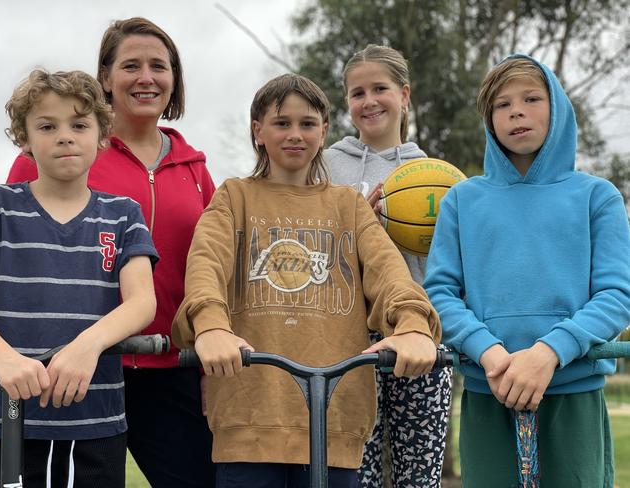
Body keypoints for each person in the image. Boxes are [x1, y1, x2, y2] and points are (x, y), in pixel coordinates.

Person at [171, 73, 442, 488]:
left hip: (334, 422)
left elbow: (391, 275)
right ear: (258, 131)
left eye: (307, 124)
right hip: (251, 421)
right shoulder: (234, 197)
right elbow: (206, 264)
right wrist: (209, 325)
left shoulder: (347, 205)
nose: (295, 134)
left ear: (324, 131)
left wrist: (413, 325)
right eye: (282, 123)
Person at [3, 17, 217, 486]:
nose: (146, 77)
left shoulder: (195, 170)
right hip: (70, 368)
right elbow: (9, 256)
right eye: (131, 65)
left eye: (159, 66)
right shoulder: (55, 153)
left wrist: (207, 361)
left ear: (174, 78)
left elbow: (210, 274)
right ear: (105, 77)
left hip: (169, 365)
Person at [423, 54, 630, 487]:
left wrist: (547, 353)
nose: (517, 110)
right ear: (489, 120)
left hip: (573, 393)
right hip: (487, 391)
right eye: (502, 104)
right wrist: (491, 354)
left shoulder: (597, 196)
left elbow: (616, 296)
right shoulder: (461, 200)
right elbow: (440, 293)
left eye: (532, 98)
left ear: (558, 108)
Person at [0, 69, 158, 487]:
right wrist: (4, 359)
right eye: (47, 126)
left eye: (79, 124)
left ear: (101, 136)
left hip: (95, 421)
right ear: (24, 139)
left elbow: (142, 302)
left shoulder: (124, 213)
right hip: (6, 419)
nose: (65, 136)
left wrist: (86, 347)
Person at [324, 44, 451, 488]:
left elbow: (450, 263)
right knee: (356, 473)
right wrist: (353, 219)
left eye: (380, 88)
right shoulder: (324, 166)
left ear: (405, 95)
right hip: (346, 335)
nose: (369, 100)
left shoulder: (436, 174)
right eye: (357, 92)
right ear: (346, 103)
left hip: (420, 331)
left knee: (421, 474)